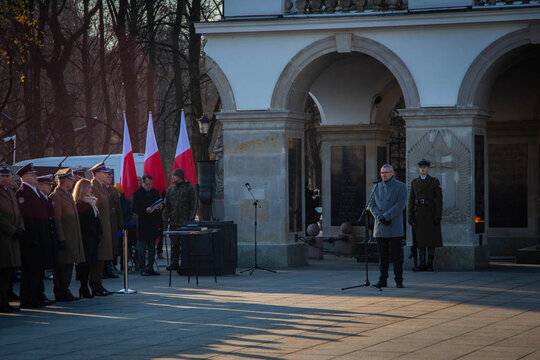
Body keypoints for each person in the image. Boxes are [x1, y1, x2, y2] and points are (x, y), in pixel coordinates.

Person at [16, 163, 54, 308]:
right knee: (30, 271)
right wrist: (33, 237)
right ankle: (28, 299)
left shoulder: (35, 192)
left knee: (38, 270)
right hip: (31, 239)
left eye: (35, 174)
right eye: (32, 175)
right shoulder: (23, 192)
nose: (35, 177)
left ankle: (37, 296)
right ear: (24, 178)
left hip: (40, 236)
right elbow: (28, 218)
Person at [367, 164, 407, 288]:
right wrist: (379, 216)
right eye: (382, 173)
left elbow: (400, 205)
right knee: (382, 256)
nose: (384, 175)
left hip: (394, 225)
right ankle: (382, 279)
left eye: (386, 172)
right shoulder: (376, 187)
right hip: (380, 226)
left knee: (396, 256)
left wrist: (387, 216)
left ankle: (398, 280)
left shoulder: (401, 186)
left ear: (392, 173)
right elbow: (371, 204)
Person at [49, 168, 85, 302]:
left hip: (72, 237)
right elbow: (57, 219)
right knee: (62, 267)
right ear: (64, 181)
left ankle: (65, 289)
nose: (73, 181)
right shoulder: (56, 196)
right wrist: (61, 238)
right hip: (64, 238)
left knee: (69, 265)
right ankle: (60, 291)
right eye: (71, 180)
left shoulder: (68, 195)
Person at [408, 159, 443, 271]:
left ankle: (429, 263)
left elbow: (439, 200)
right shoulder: (414, 182)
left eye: (424, 167)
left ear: (428, 169)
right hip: (419, 214)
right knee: (420, 240)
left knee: (431, 240)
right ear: (418, 169)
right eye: (421, 167)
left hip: (430, 213)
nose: (422, 169)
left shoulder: (434, 182)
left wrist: (437, 216)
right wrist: (410, 215)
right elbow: (411, 200)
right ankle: (421, 262)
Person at [0, 164, 24, 313]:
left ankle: (5, 300)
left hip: (13, 238)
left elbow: (18, 212)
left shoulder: (9, 192)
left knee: (9, 273)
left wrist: (21, 228)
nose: (5, 179)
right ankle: (2, 303)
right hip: (3, 238)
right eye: (2, 176)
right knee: (2, 274)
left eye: (6, 176)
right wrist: (13, 230)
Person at [88, 162, 115, 296]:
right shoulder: (93, 187)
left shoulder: (102, 187)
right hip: (99, 228)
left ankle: (98, 284)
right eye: (104, 173)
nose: (107, 175)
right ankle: (95, 285)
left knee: (102, 257)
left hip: (104, 226)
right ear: (97, 174)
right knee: (98, 257)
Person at [162, 168, 195, 272]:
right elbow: (166, 207)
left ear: (180, 177)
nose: (173, 177)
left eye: (175, 176)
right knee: (174, 244)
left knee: (185, 244)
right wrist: (165, 222)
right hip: (174, 221)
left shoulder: (189, 189)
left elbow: (193, 205)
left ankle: (185, 263)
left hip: (185, 222)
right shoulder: (170, 190)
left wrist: (191, 218)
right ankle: (174, 263)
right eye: (173, 176)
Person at [73, 179, 102, 298]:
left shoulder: (91, 203)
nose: (91, 190)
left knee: (90, 264)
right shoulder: (80, 204)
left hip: (93, 238)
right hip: (86, 238)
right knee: (84, 264)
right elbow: (84, 222)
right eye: (89, 188)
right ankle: (83, 288)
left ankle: (86, 287)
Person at [132, 174, 163, 276]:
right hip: (142, 223)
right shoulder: (137, 193)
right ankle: (142, 268)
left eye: (151, 184)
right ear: (142, 183)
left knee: (152, 248)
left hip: (153, 223)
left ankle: (150, 267)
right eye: (147, 184)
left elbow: (160, 202)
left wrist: (160, 206)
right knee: (142, 248)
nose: (149, 186)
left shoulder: (154, 192)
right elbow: (134, 208)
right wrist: (145, 210)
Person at [36, 174, 58, 305]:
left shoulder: (46, 199)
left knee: (40, 269)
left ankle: (40, 294)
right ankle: (36, 295)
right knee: (36, 270)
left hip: (47, 236)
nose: (50, 187)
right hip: (40, 237)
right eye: (47, 185)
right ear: (40, 186)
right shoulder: (41, 199)